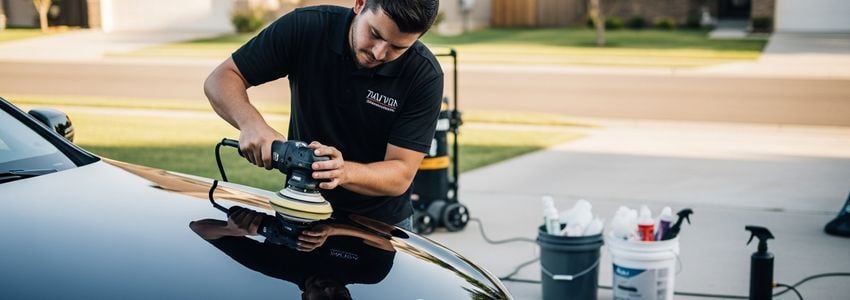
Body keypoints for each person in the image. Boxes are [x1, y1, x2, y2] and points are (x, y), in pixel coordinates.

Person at [204, 0, 443, 246]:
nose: (379, 53)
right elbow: (221, 78)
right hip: (298, 210)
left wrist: (342, 171)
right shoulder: (307, 27)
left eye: (397, 47)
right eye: (374, 34)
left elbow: (401, 173)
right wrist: (251, 124)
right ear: (360, 4)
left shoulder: (423, 75)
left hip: (378, 227)